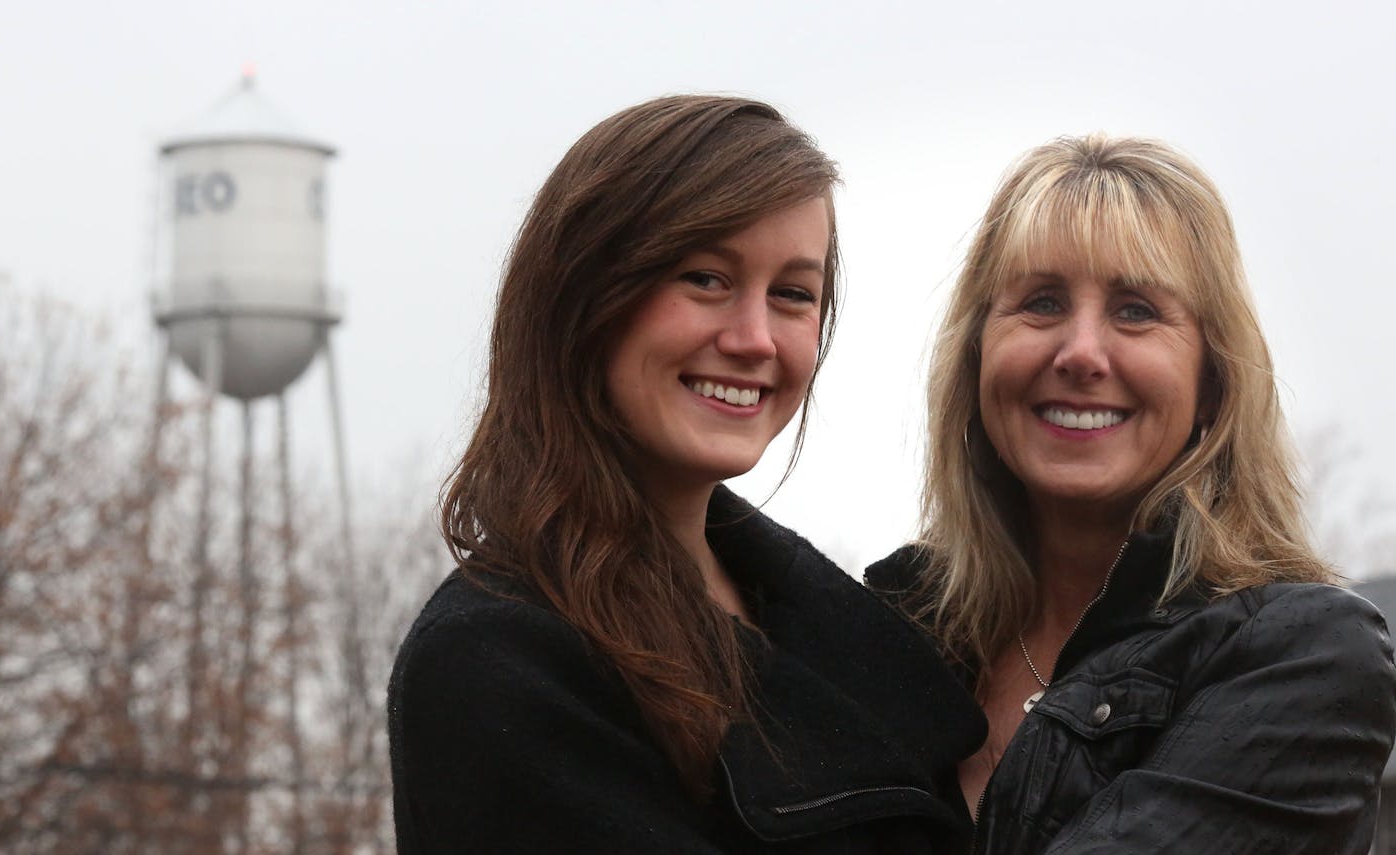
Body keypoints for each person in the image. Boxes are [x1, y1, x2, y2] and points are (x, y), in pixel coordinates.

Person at [389, 95, 985, 854]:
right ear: (583, 298)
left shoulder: (865, 636)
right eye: (706, 278)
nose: (754, 338)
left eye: (793, 294)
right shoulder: (499, 660)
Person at [867, 133, 1396, 853]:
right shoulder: (885, 634)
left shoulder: (1305, 655)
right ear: (977, 360)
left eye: (1137, 310)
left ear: (1213, 381)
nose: (1081, 352)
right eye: (1043, 302)